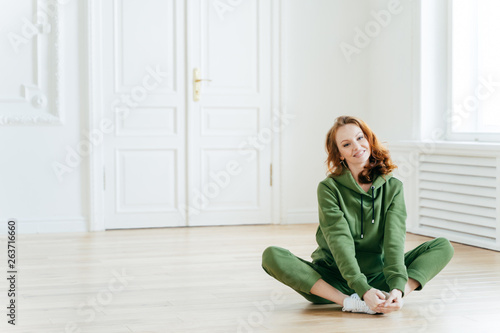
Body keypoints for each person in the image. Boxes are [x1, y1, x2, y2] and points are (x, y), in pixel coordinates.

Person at [261, 115, 454, 314]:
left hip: (379, 276)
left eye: (360, 138)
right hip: (333, 280)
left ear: (369, 140)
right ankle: (348, 302)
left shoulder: (393, 187)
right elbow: (339, 240)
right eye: (346, 144)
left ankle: (392, 297)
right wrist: (361, 290)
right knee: (272, 255)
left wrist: (397, 286)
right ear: (340, 154)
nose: (357, 147)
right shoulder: (329, 188)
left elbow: (394, 240)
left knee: (442, 246)